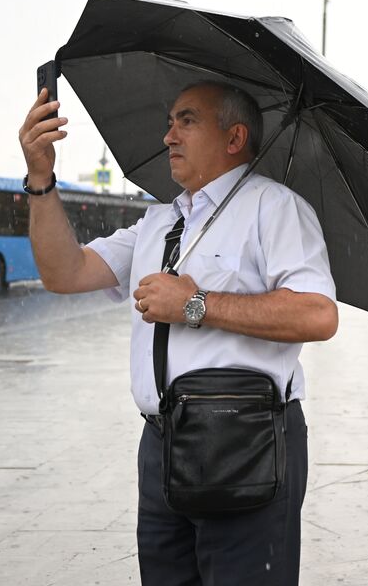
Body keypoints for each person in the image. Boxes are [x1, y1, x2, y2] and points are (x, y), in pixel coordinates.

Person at [18, 80, 337, 586]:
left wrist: (194, 304)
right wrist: (41, 178)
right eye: (169, 122)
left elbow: (318, 314)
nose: (169, 135)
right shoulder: (159, 222)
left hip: (245, 440)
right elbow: (65, 273)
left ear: (234, 138)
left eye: (186, 121)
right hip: (163, 442)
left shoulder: (274, 208)